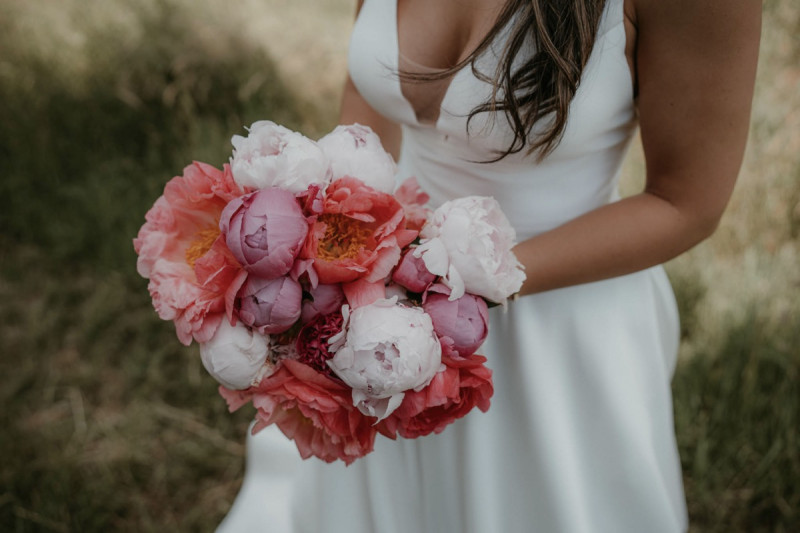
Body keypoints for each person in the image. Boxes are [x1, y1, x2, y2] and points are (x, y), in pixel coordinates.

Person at [218, 0, 761, 531]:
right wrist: (339, 248)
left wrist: (444, 288)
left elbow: (685, 203)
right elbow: (367, 84)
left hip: (558, 331)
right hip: (375, 319)